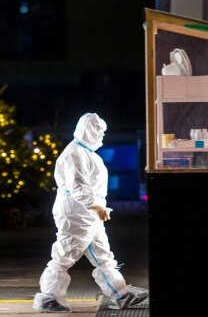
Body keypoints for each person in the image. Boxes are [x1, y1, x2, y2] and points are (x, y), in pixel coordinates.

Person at [33, 113, 148, 313]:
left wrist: (96, 208)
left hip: (87, 215)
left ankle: (120, 293)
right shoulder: (73, 154)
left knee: (103, 255)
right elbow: (79, 188)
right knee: (65, 253)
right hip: (76, 215)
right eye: (99, 132)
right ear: (89, 131)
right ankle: (48, 297)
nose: (102, 136)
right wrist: (97, 206)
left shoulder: (86, 153)